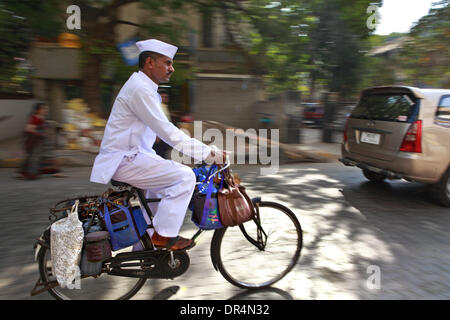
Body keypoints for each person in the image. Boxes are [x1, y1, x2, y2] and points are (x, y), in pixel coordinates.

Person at [90, 39, 225, 251]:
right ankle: (164, 236)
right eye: (167, 62)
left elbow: (163, 130)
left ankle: (145, 253)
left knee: (159, 198)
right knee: (185, 177)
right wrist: (208, 153)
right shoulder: (140, 89)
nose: (172, 68)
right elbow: (166, 130)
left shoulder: (145, 88)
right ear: (150, 62)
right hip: (127, 160)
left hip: (136, 156)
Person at [18, 102, 63, 180]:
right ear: (38, 110)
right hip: (36, 143)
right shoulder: (35, 118)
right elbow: (28, 129)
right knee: (34, 158)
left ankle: (23, 173)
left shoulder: (41, 117)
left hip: (42, 143)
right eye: (44, 109)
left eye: (46, 109)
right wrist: (41, 134)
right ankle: (30, 174)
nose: (46, 110)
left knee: (37, 157)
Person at [153, 88, 172, 159]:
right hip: (160, 136)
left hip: (164, 135)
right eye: (163, 97)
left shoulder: (165, 107)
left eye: (166, 97)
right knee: (159, 154)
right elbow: (156, 121)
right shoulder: (158, 107)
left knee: (163, 154)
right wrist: (157, 135)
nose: (165, 98)